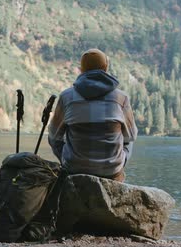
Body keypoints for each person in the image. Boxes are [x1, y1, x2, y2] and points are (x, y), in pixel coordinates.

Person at [48, 49, 137, 182]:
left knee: (53, 137)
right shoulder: (121, 98)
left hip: (74, 168)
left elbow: (54, 135)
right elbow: (131, 136)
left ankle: (69, 167)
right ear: (105, 68)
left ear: (81, 69)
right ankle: (116, 179)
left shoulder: (67, 96)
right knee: (127, 141)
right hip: (111, 171)